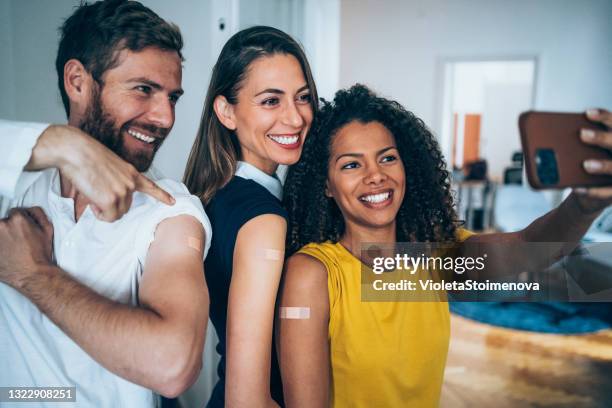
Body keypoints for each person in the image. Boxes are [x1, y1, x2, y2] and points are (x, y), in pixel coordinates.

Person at [278, 84, 612, 407]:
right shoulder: (312, 275)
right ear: (326, 186)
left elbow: (531, 247)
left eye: (388, 158)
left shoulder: (436, 257)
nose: (376, 175)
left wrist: (584, 206)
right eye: (352, 164)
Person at [0, 1, 212, 406]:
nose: (165, 117)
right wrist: (58, 144)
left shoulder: (169, 211)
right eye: (144, 90)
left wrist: (33, 274)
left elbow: (174, 366)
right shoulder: (16, 182)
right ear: (77, 82)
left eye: (173, 97)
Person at [183, 26, 317, 407]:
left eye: (302, 97)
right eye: (271, 101)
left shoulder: (222, 195)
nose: (295, 118)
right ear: (227, 111)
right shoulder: (262, 220)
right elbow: (247, 401)